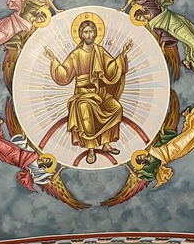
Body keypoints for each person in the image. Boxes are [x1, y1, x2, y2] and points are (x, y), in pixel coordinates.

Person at [44, 16, 131, 164]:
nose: (89, 35)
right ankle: (91, 149)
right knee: (86, 109)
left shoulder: (100, 51)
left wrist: (123, 54)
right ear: (81, 34)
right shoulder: (76, 54)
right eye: (85, 32)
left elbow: (111, 68)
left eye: (91, 31)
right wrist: (53, 59)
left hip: (101, 93)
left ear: (96, 33)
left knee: (116, 108)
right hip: (83, 94)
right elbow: (64, 73)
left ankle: (106, 143)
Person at [132, 0, 194, 80]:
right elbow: (163, 35)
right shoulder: (153, 25)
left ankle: (188, 60)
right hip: (176, 29)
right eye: (139, 20)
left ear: (141, 13)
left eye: (139, 17)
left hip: (176, 18)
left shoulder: (150, 8)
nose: (141, 20)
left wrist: (126, 6)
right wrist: (162, 47)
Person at [132, 96, 194, 186]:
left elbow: (161, 141)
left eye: (139, 155)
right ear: (141, 161)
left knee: (192, 133)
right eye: (140, 158)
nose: (141, 156)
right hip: (172, 153)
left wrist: (162, 132)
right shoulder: (149, 167)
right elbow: (137, 177)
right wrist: (126, 166)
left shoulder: (150, 150)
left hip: (171, 146)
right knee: (193, 139)